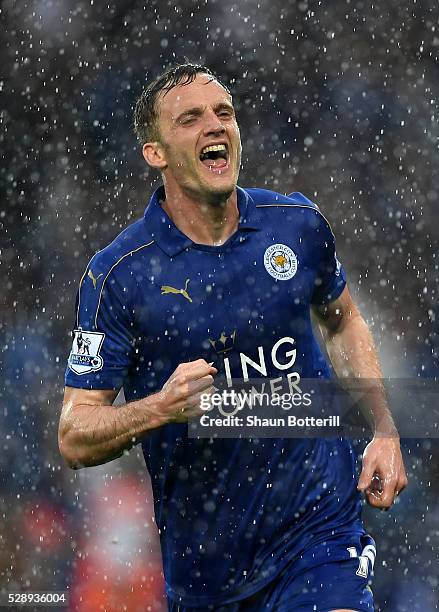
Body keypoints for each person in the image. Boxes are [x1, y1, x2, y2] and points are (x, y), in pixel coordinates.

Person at [59, 63, 408, 611]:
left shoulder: (295, 225)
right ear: (155, 153)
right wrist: (159, 409)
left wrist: (384, 428)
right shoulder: (118, 277)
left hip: (318, 536)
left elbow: (342, 319)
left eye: (224, 112)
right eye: (191, 118)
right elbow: (74, 434)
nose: (215, 125)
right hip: (208, 572)